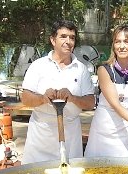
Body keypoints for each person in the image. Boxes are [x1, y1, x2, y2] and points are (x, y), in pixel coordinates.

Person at [20, 20, 95, 164]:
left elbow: (90, 103)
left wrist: (72, 98)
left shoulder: (81, 69)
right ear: (53, 40)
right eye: (63, 36)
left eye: (72, 38)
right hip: (41, 135)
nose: (68, 41)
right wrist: (42, 98)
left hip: (70, 134)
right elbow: (25, 98)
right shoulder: (38, 66)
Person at [84, 25, 128, 158]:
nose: (122, 46)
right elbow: (116, 105)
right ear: (113, 45)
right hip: (103, 133)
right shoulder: (104, 70)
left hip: (127, 133)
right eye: (118, 41)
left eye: (126, 41)